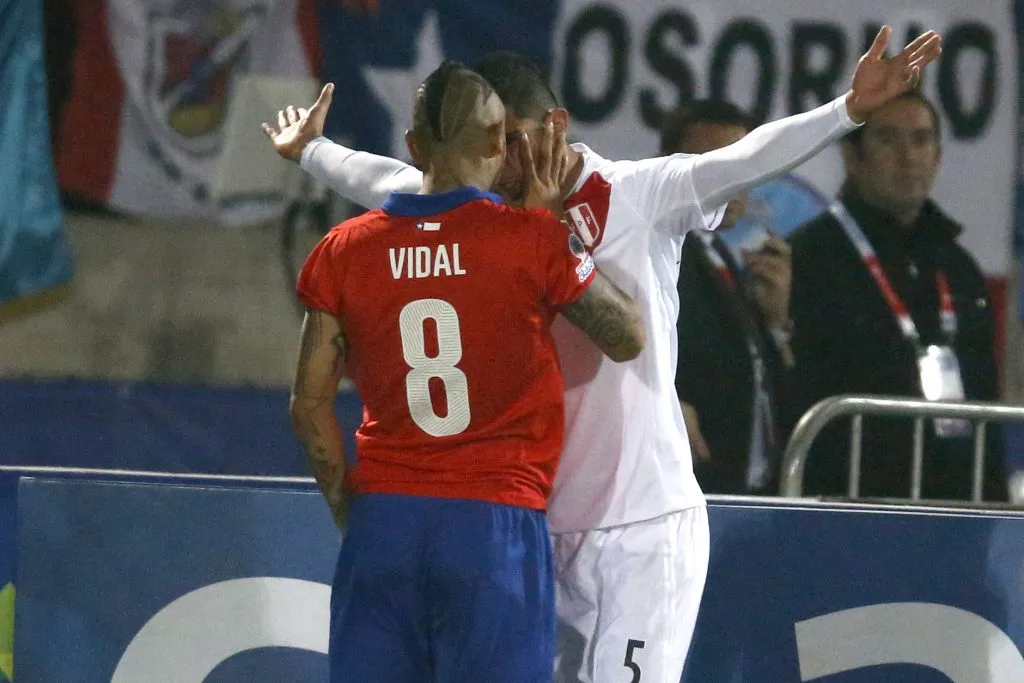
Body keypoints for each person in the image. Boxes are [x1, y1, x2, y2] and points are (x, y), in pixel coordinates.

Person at [265, 26, 943, 683]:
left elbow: (746, 159)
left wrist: (847, 110)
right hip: (528, 530)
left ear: (556, 124)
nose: (504, 167)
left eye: (517, 144)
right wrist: (311, 149)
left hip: (639, 532)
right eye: (489, 148)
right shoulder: (474, 211)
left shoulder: (639, 194)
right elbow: (379, 178)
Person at [284, 61, 645, 683]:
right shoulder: (530, 240)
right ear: (500, 143)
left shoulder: (343, 249)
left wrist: (350, 505)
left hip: (385, 522)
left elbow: (308, 401)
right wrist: (553, 228)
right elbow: (628, 336)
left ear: (413, 147)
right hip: (492, 528)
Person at [785, 90, 1008, 502]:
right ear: (853, 157)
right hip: (846, 503)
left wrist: (993, 504)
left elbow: (984, 396)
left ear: (938, 156)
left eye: (921, 140)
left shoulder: (958, 268)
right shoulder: (808, 259)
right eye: (888, 139)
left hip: (956, 502)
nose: (908, 157)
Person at [660, 100, 795, 495]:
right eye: (716, 165)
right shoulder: (660, 248)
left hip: (742, 487)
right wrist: (664, 402)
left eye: (744, 163)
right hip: (689, 485)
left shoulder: (722, 256)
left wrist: (775, 324)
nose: (734, 180)